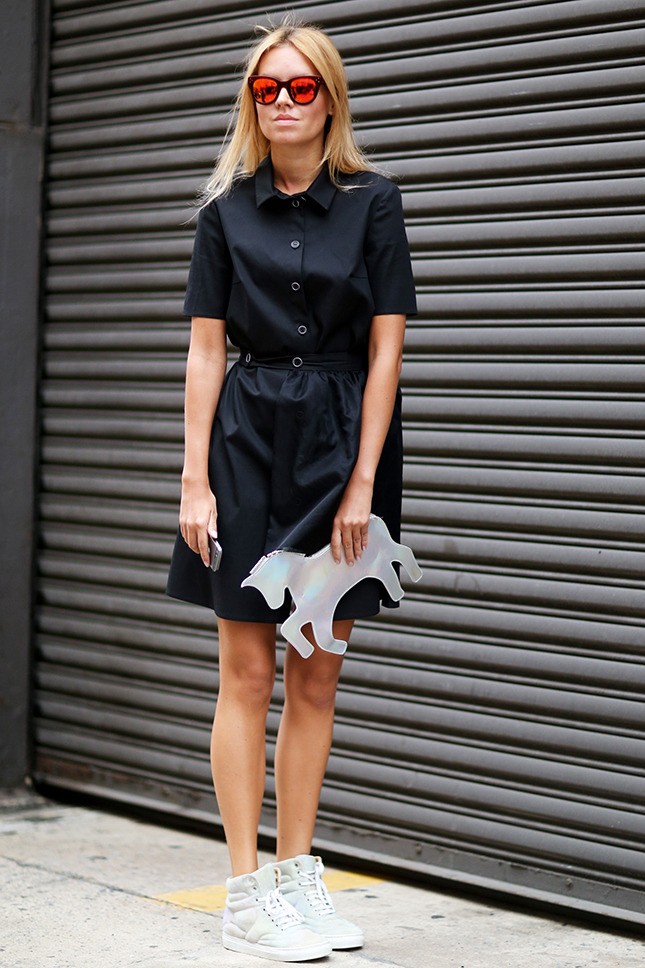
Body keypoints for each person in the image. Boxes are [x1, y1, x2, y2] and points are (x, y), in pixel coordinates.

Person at [165, 16, 417, 963]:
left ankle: (296, 876)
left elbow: (387, 350)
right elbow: (204, 351)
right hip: (246, 442)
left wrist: (363, 485)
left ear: (329, 99)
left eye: (299, 87)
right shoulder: (223, 212)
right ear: (251, 102)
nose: (280, 102)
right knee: (246, 671)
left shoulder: (375, 202)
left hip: (342, 447)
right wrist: (194, 481)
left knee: (317, 670)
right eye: (265, 88)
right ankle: (245, 893)